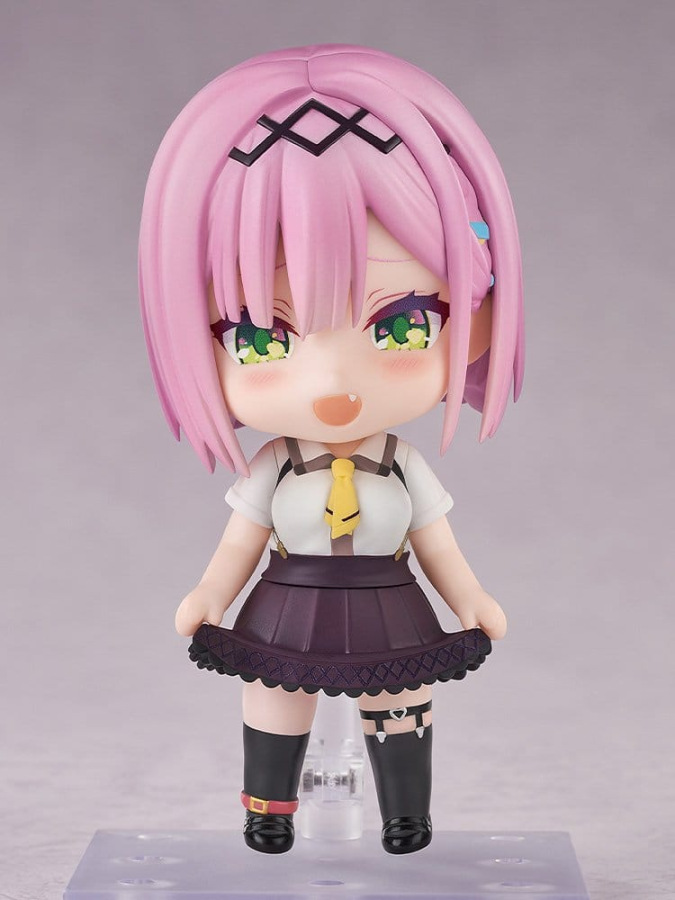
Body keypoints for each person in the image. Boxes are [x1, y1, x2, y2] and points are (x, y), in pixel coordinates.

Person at [138, 43, 524, 856]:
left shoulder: (401, 465)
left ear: (475, 316)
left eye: (402, 324)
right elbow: (239, 544)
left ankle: (405, 812)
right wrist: (210, 592)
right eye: (259, 338)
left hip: (389, 597)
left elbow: (437, 542)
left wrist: (469, 597)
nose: (331, 384)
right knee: (275, 697)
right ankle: (268, 808)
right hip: (289, 598)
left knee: (401, 700)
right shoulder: (274, 466)